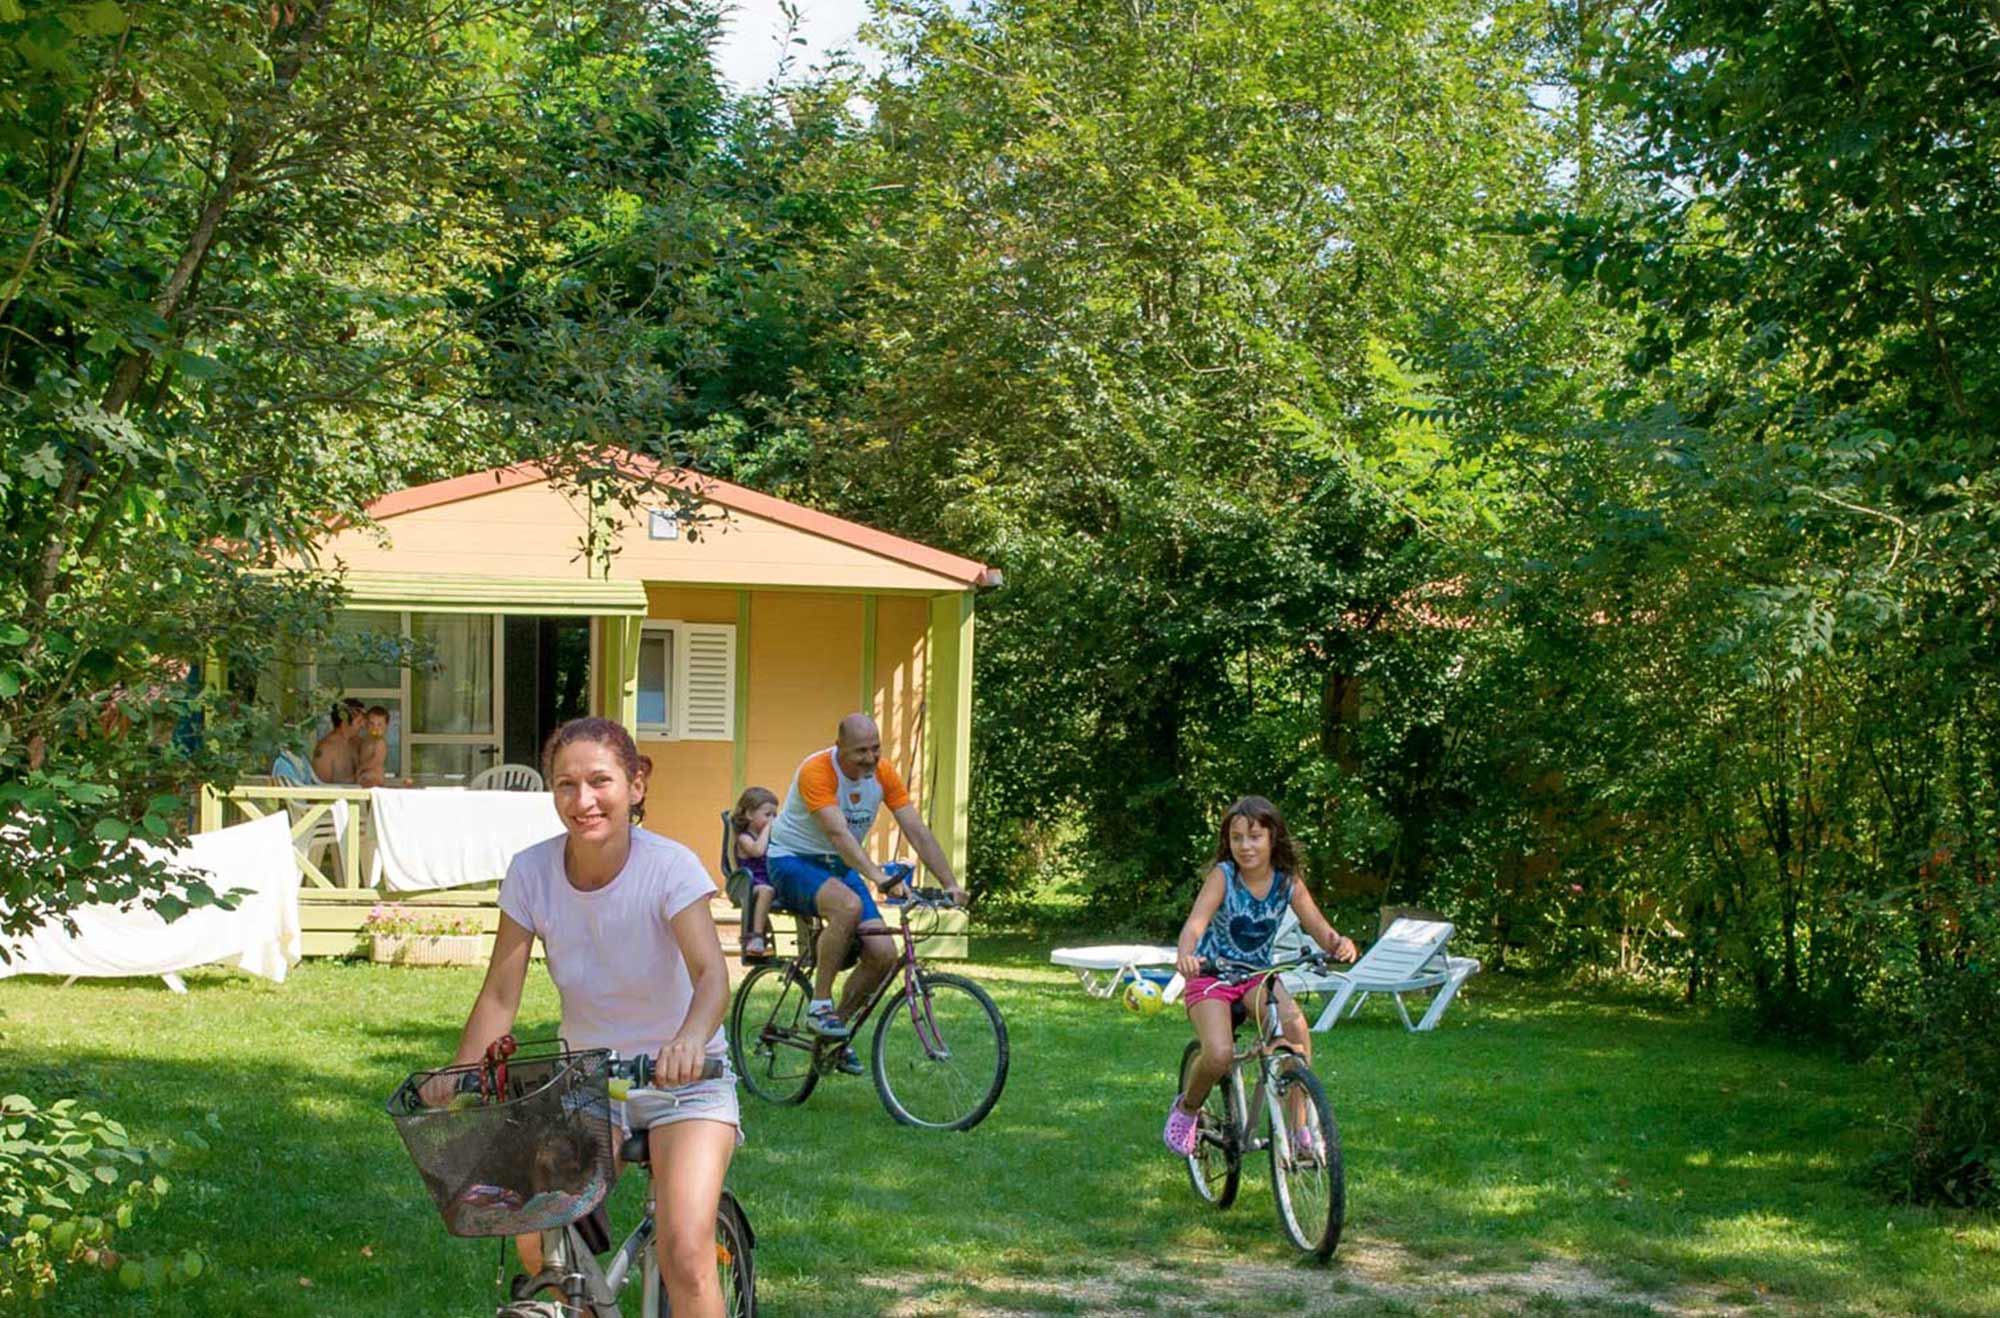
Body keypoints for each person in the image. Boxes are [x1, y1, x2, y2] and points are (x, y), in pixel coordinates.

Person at [429, 717, 739, 1317]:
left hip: (686, 1083)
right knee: (536, 1231)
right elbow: (500, 993)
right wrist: (461, 1071)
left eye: (601, 781)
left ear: (637, 784)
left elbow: (711, 977)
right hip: (589, 1082)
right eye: (566, 785)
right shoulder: (531, 872)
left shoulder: (670, 868)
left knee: (685, 1254)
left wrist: (689, 1040)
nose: (583, 800)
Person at [766, 713, 967, 1069]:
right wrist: (877, 876)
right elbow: (838, 834)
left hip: (840, 865)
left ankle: (835, 1033)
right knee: (846, 906)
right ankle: (820, 1006)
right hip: (793, 860)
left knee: (883, 954)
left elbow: (916, 830)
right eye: (861, 751)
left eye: (876, 748)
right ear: (839, 745)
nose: (871, 758)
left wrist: (949, 882)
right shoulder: (817, 770)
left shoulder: (882, 774)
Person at [1163, 795, 1357, 1160]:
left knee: (1295, 1029)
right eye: (1237, 838)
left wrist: (1339, 944)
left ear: (1272, 838)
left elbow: (1320, 929)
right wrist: (1186, 955)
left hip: (1256, 976)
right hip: (1211, 976)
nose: (1245, 846)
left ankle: (1300, 1129)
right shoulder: (1223, 876)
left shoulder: (1288, 882)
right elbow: (1195, 923)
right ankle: (1187, 1109)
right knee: (1219, 1054)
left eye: (1254, 837)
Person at [731, 787, 779, 961]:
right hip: (749, 885)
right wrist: (768, 829)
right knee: (767, 891)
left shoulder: (767, 838)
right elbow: (757, 851)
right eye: (768, 815)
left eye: (775, 815)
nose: (773, 819)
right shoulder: (744, 837)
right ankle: (756, 937)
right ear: (750, 814)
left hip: (768, 881)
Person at [310, 698, 366, 783]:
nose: (363, 725)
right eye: (359, 722)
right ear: (345, 722)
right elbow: (321, 789)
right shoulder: (325, 750)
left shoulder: (359, 743)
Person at [356, 705, 392, 787]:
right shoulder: (365, 741)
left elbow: (376, 761)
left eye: (379, 725)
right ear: (366, 724)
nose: (375, 728)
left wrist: (361, 768)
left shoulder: (380, 742)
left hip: (375, 779)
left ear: (386, 726)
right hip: (364, 776)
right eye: (372, 724)